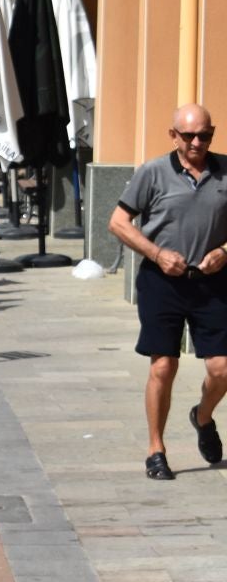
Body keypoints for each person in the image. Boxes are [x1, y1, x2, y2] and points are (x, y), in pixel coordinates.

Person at [109, 103, 227, 480]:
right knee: (164, 365)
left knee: (222, 368)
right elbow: (118, 222)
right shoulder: (153, 172)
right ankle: (156, 449)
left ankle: (203, 416)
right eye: (189, 135)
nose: (197, 142)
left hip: (213, 281)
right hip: (162, 282)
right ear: (173, 135)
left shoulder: (225, 170)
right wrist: (157, 254)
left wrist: (224, 252)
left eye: (204, 135)